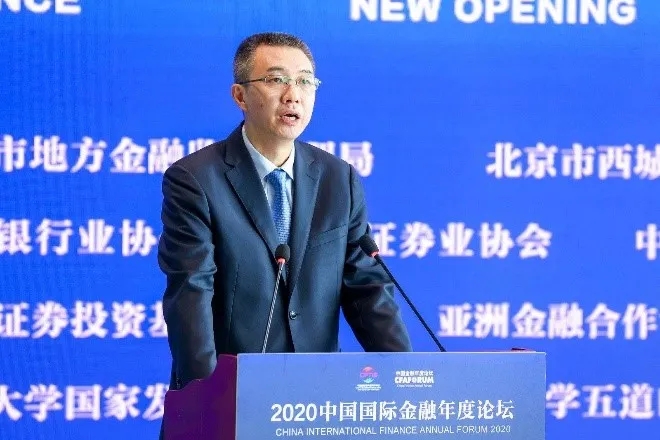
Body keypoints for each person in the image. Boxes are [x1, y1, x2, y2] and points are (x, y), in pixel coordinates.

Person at [157, 31, 412, 435]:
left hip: (316, 407)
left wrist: (406, 378)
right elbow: (191, 291)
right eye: (276, 80)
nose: (293, 95)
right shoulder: (196, 179)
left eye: (306, 81)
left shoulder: (338, 179)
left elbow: (367, 288)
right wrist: (208, 398)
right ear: (240, 96)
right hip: (230, 401)